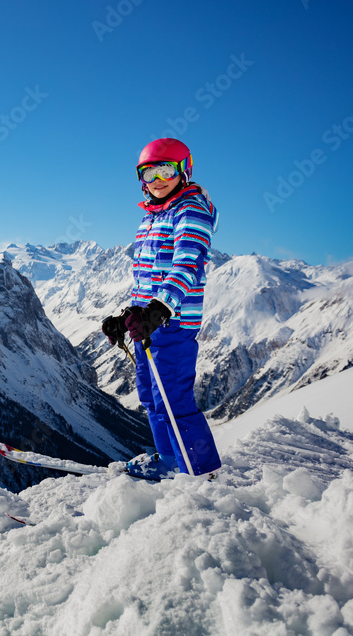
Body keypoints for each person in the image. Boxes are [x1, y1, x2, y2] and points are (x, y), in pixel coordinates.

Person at [101, 138, 221, 480]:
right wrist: (130, 316)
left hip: (174, 322)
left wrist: (158, 310)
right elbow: (148, 277)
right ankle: (170, 463)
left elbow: (187, 264)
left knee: (173, 399)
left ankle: (199, 472)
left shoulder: (191, 210)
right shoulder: (152, 217)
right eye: (148, 172)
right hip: (151, 324)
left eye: (166, 170)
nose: (157, 179)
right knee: (152, 398)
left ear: (183, 171)